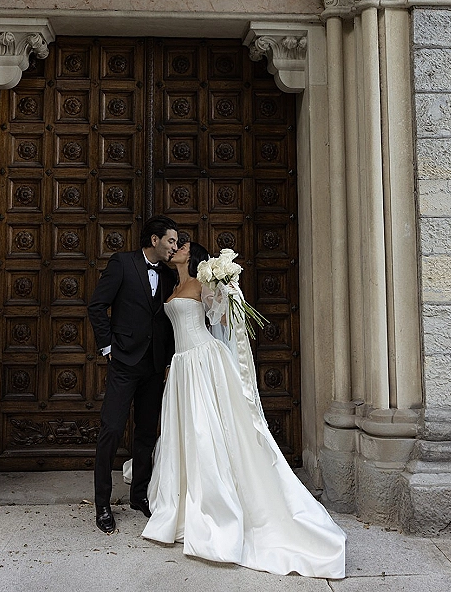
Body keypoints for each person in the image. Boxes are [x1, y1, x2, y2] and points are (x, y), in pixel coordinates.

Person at [142, 240, 346, 578]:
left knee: (206, 431)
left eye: (182, 246)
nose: (176, 248)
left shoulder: (203, 282)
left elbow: (220, 318)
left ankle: (218, 507)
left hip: (204, 361)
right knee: (188, 431)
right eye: (174, 244)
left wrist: (228, 287)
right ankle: (183, 500)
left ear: (193, 257)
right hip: (182, 366)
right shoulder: (174, 284)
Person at [87, 215, 179, 533]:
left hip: (154, 366)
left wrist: (167, 359)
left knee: (145, 434)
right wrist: (108, 348)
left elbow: (167, 319)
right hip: (124, 362)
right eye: (171, 240)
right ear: (154, 240)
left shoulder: (169, 274)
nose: (174, 246)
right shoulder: (122, 263)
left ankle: (140, 496)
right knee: (111, 431)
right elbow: (97, 305)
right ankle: (102, 505)